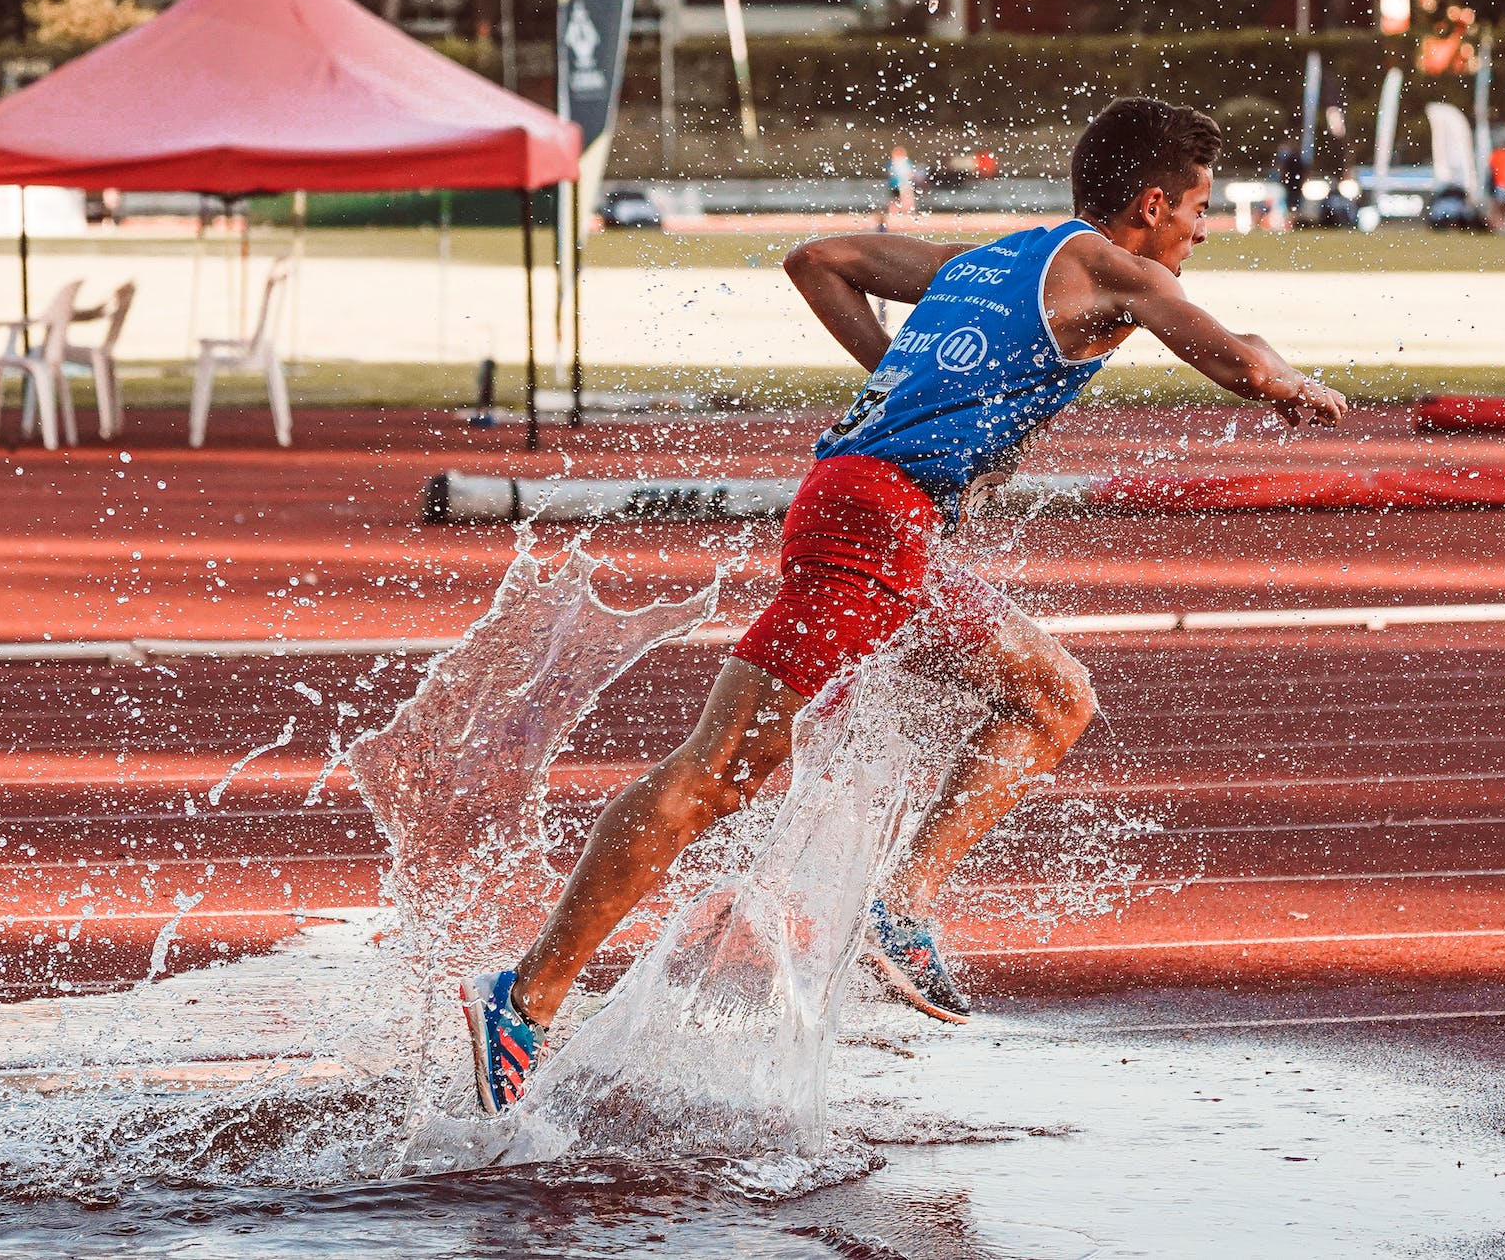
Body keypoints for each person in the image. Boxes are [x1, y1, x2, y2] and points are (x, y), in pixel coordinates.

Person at [461, 97, 1348, 1113]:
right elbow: (1233, 357)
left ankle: (901, 903)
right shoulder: (1119, 270)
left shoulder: (994, 261)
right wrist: (1287, 388)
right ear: (1151, 204)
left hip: (885, 527)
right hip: (869, 529)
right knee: (717, 775)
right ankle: (524, 995)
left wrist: (902, 379)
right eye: (1199, 208)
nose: (1204, 230)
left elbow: (819, 261)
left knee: (1054, 696)